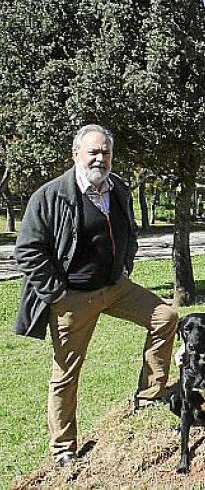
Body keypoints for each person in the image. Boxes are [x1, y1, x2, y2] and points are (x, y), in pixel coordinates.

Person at [14, 124, 178, 467]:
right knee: (65, 373)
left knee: (166, 317)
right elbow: (28, 251)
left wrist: (126, 264)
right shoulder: (50, 196)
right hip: (72, 297)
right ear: (76, 155)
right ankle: (63, 447)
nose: (100, 159)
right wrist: (56, 294)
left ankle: (149, 395)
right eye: (93, 152)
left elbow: (128, 231)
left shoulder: (117, 187)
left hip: (116, 287)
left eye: (106, 152)